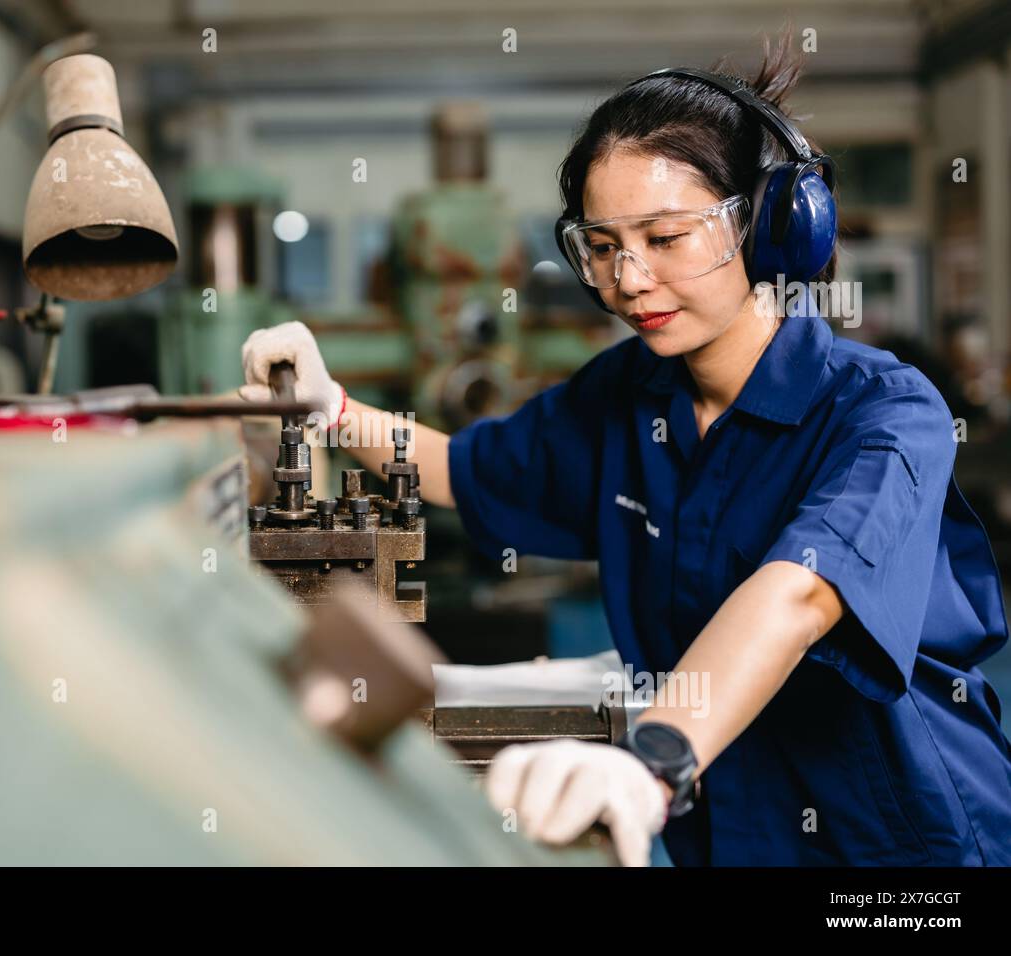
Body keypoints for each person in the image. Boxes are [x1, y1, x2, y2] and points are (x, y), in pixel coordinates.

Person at [236, 34, 1011, 866]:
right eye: (603, 247)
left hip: (902, 845)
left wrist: (653, 760)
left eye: (666, 238)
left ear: (768, 227)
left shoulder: (885, 413)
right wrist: (334, 408)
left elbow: (800, 597)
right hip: (729, 833)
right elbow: (468, 468)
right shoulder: (625, 394)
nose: (630, 279)